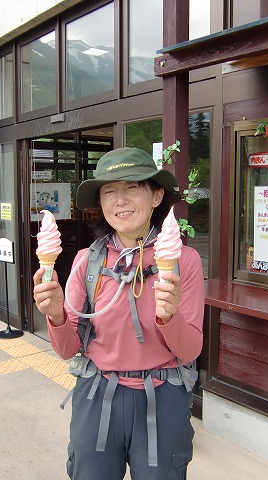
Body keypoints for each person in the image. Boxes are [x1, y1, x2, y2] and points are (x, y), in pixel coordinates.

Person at [33, 147, 204, 479]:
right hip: (97, 394)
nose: (120, 200)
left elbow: (190, 350)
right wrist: (55, 316)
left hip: (162, 396)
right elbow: (68, 349)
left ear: (156, 196)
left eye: (133, 187)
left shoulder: (184, 262)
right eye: (109, 191)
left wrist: (170, 317)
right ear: (101, 203)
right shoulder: (87, 261)